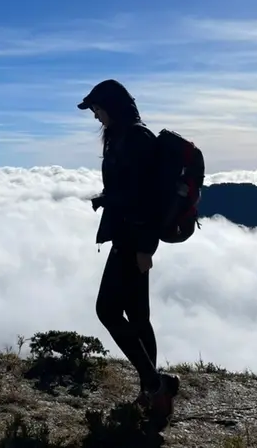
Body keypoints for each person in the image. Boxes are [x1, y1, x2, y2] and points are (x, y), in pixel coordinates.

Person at [78, 79, 179, 421]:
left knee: (106, 310)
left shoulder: (136, 138)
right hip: (128, 236)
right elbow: (130, 189)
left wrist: (145, 247)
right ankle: (153, 393)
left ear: (112, 106)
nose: (96, 116)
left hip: (133, 240)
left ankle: (155, 384)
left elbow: (148, 198)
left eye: (97, 109)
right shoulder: (123, 137)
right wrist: (107, 199)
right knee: (137, 318)